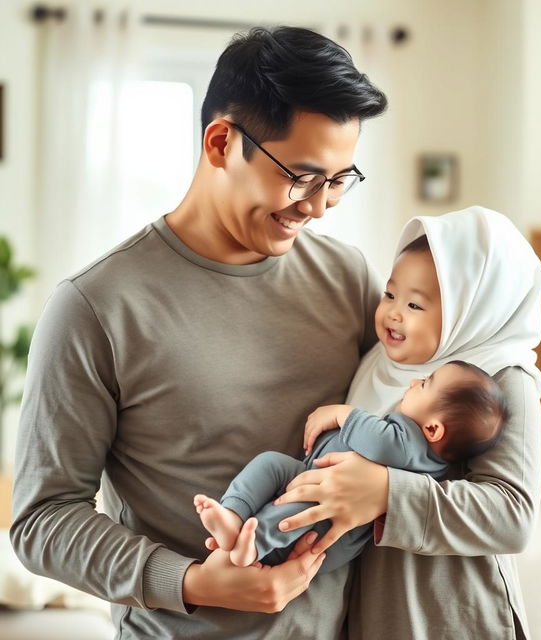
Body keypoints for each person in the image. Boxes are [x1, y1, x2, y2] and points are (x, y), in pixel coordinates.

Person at [11, 27, 387, 640]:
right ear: (220, 142)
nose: (318, 207)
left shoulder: (351, 278)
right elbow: (42, 520)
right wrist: (192, 580)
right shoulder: (95, 306)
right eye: (302, 176)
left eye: (340, 180)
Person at [271, 207, 541, 639]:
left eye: (415, 303)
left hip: (450, 613)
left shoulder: (502, 379)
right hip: (373, 609)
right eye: (390, 294)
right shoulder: (380, 362)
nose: (394, 313)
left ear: (469, 308)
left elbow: (511, 516)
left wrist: (385, 492)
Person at [193, 359, 508, 573]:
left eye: (425, 383)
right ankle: (233, 515)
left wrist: (344, 414)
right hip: (312, 479)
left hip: (325, 517)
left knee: (299, 506)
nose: (414, 381)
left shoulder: (411, 448)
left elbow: (380, 442)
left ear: (434, 430)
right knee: (270, 463)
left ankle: (254, 544)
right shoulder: (414, 445)